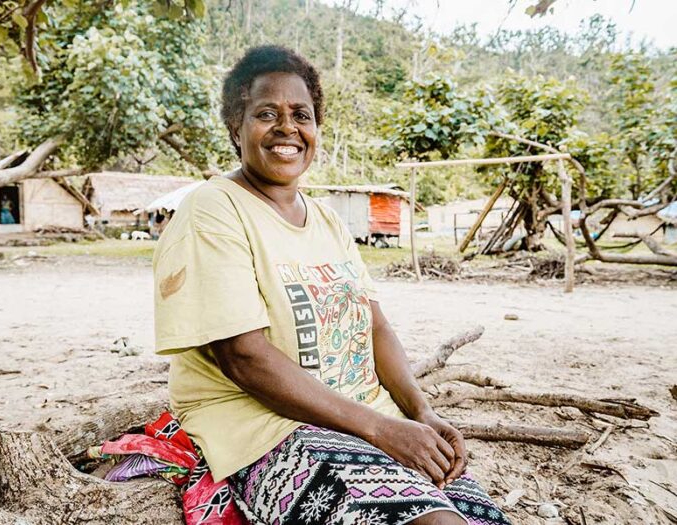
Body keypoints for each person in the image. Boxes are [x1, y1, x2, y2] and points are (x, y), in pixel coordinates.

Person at [154, 45, 511, 525]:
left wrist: (419, 412)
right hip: (267, 429)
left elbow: (376, 327)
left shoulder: (326, 220)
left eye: (301, 114)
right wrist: (381, 430)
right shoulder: (213, 209)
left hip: (364, 416)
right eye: (266, 114)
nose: (287, 128)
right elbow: (243, 357)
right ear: (235, 128)